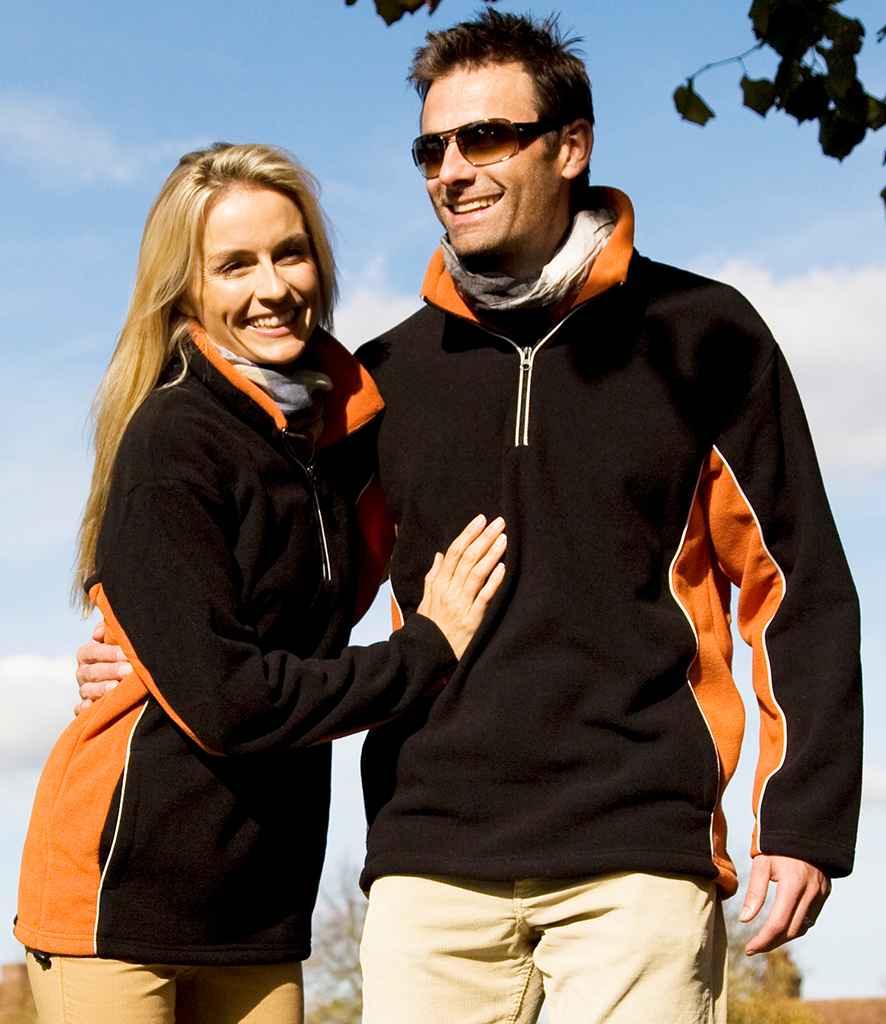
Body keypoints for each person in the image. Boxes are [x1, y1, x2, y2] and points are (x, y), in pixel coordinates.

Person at [77, 11, 863, 1024]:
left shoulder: (702, 335)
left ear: (570, 145)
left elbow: (797, 583)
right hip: (428, 862)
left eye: (485, 138)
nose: (452, 170)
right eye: (431, 149)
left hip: (635, 851)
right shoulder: (383, 377)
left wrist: (802, 816)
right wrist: (137, 634)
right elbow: (274, 567)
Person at [16, 141, 507, 1024]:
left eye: (290, 253)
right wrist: (427, 651)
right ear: (186, 288)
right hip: (118, 902)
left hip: (261, 905)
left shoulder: (333, 437)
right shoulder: (175, 439)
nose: (272, 287)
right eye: (234, 265)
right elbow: (229, 703)